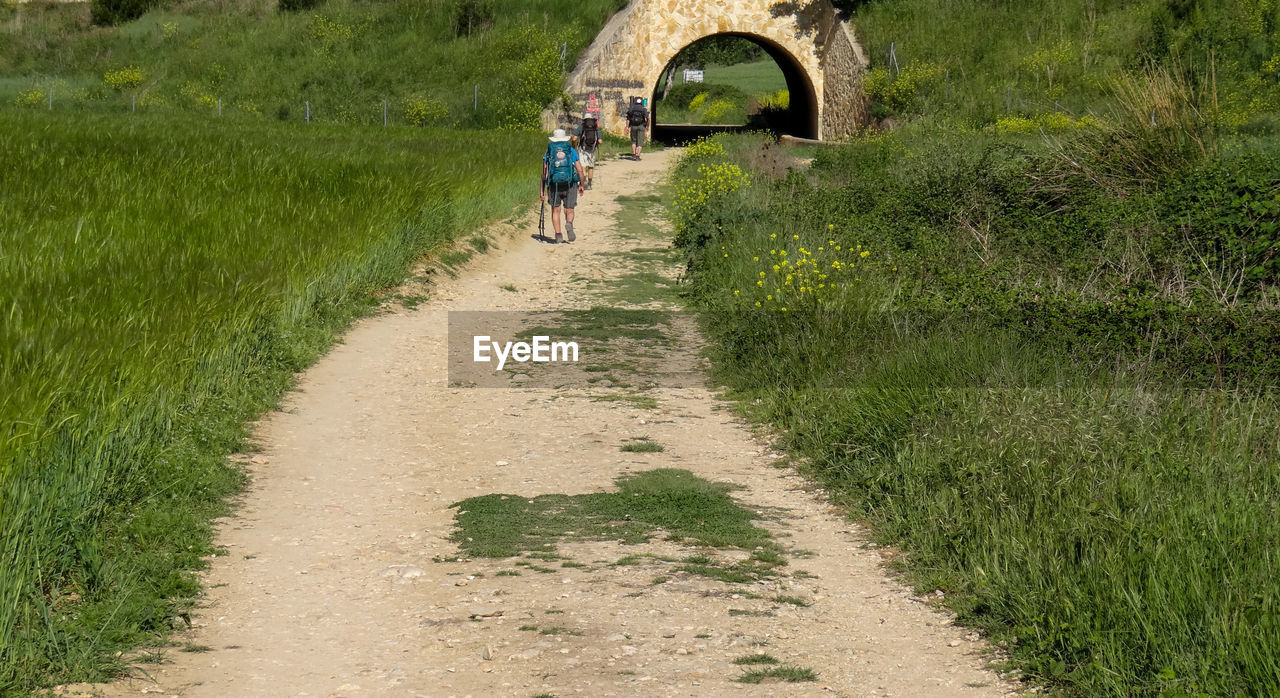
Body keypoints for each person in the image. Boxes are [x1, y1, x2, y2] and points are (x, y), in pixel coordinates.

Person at [541, 128, 587, 244]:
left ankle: (558, 235)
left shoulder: (549, 152)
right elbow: (580, 170)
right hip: (570, 184)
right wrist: (581, 184)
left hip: (553, 185)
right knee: (569, 209)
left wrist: (542, 191)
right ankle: (569, 223)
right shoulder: (570, 150)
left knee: (555, 210)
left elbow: (544, 174)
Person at [573, 112, 601, 190]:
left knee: (583, 167)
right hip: (592, 149)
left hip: (583, 149)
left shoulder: (582, 126)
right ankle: (589, 184)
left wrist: (573, 144)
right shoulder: (595, 127)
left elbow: (574, 138)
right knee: (591, 167)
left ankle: (583, 183)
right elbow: (600, 141)